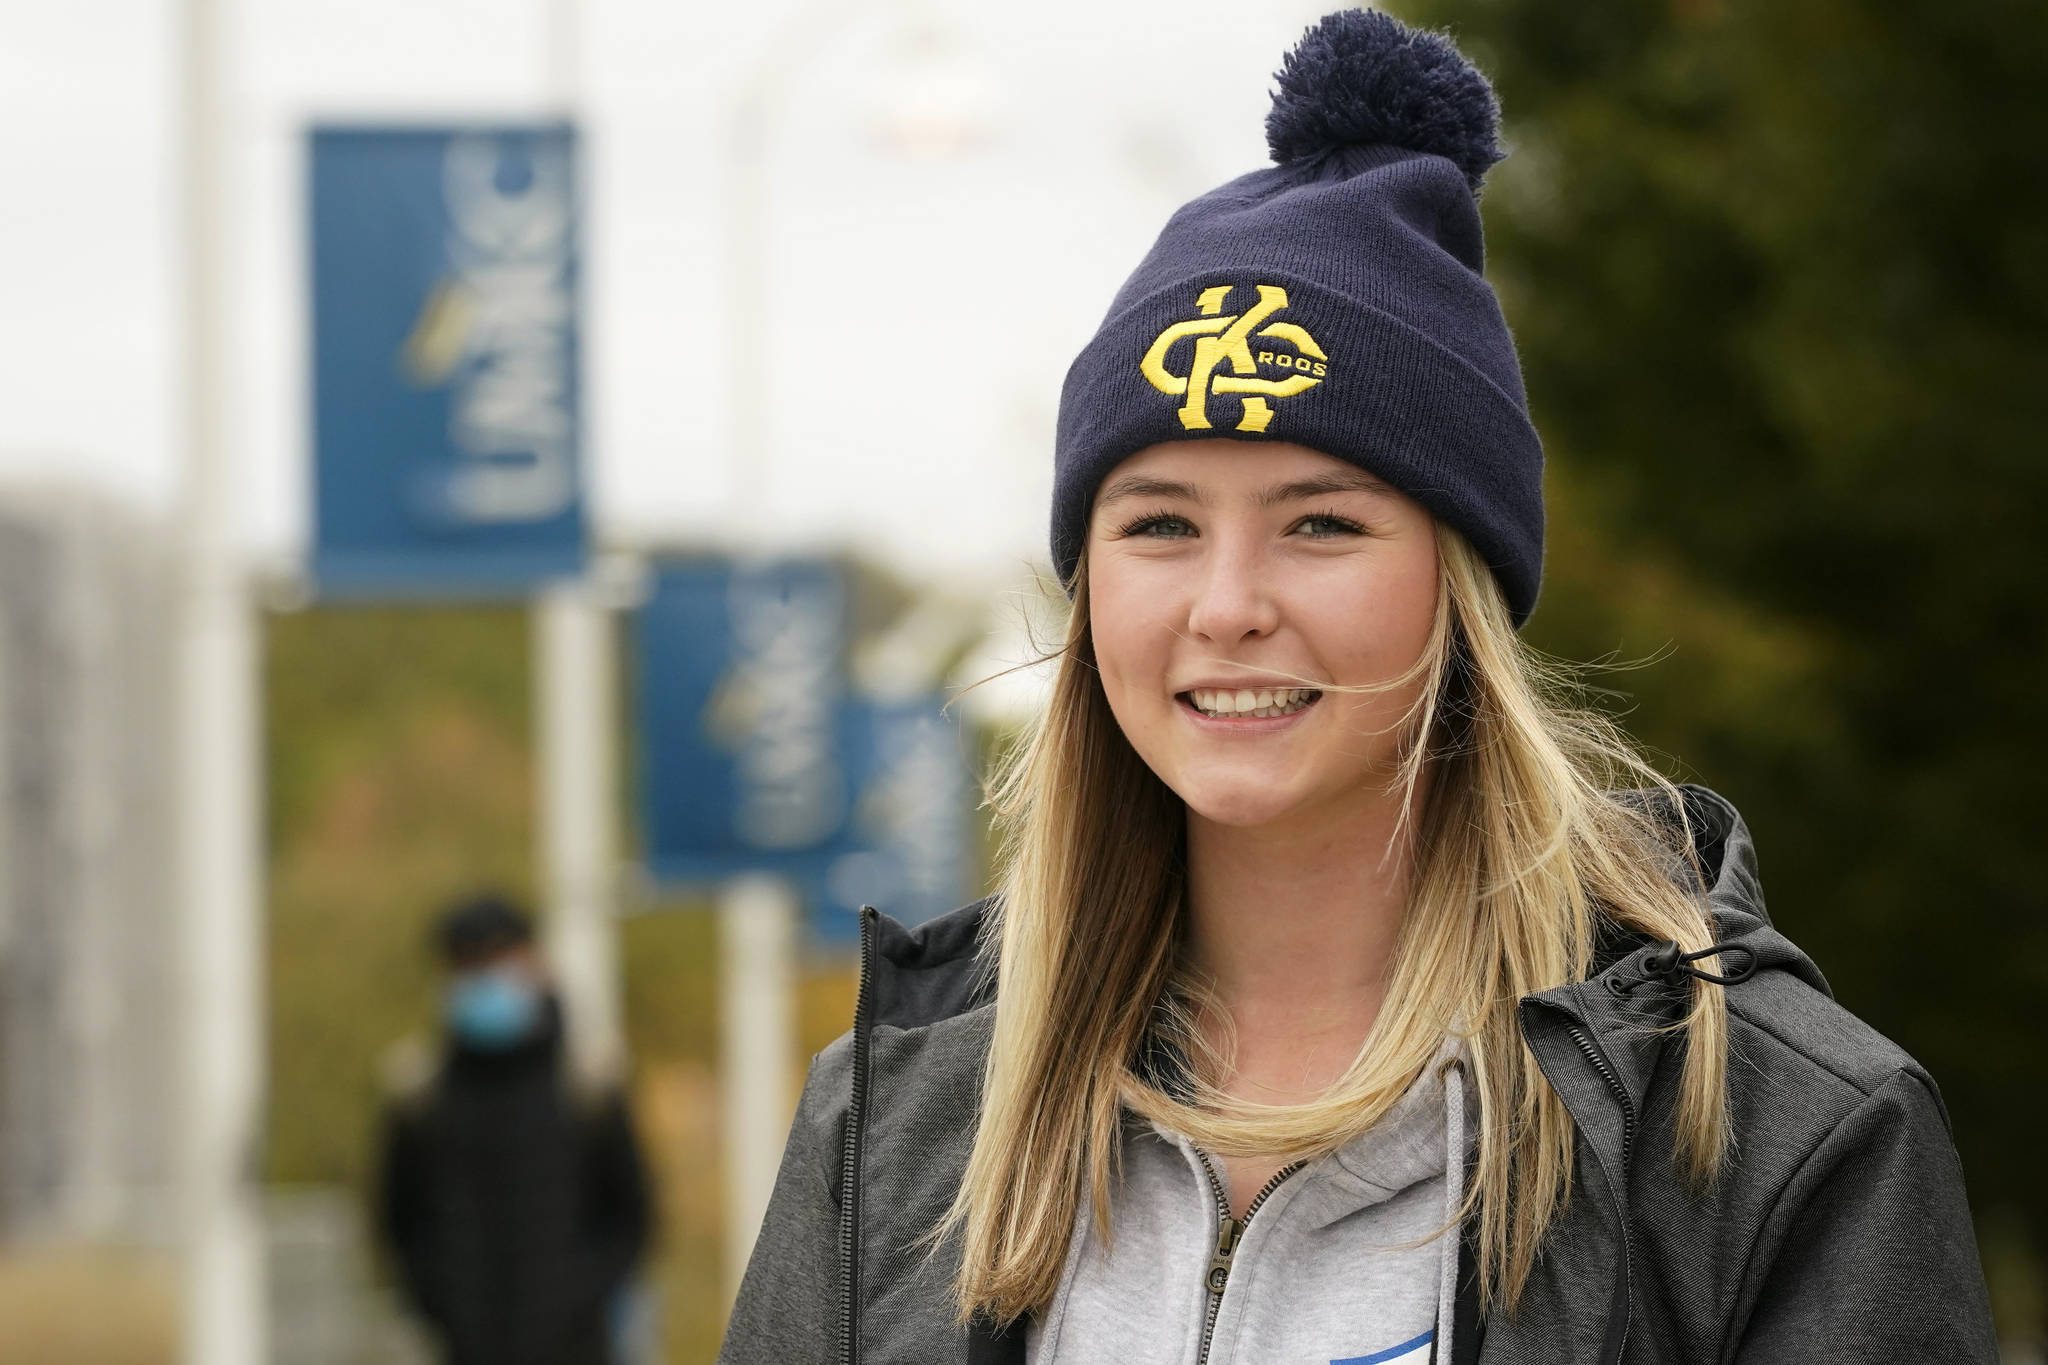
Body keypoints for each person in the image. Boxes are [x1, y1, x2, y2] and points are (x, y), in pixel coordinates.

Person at [717, 10, 1998, 1364]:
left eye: (1321, 523)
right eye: (1157, 524)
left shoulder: (1773, 1135)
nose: (1227, 606)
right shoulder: (892, 1133)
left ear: (1462, 592)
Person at [374, 892, 652, 1365]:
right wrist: (440, 1305)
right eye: (467, 964)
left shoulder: (584, 1082)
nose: (484, 979)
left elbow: (630, 1217)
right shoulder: (421, 1092)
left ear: (534, 962)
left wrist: (577, 1298)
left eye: (497, 959)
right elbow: (399, 1221)